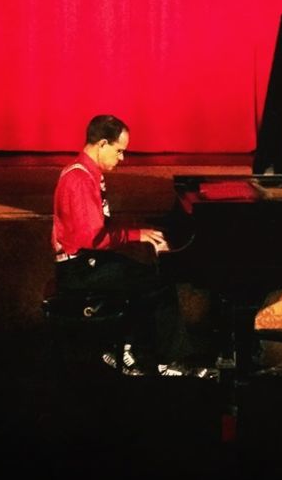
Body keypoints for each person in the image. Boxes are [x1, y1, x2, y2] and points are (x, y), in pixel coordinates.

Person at [51, 114, 208, 377]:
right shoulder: (79, 179)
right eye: (119, 150)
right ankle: (167, 362)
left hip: (87, 262)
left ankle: (124, 348)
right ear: (102, 144)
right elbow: (92, 239)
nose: (122, 158)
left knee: (146, 277)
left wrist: (141, 231)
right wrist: (138, 235)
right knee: (158, 283)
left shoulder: (87, 173)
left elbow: (98, 229)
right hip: (79, 269)